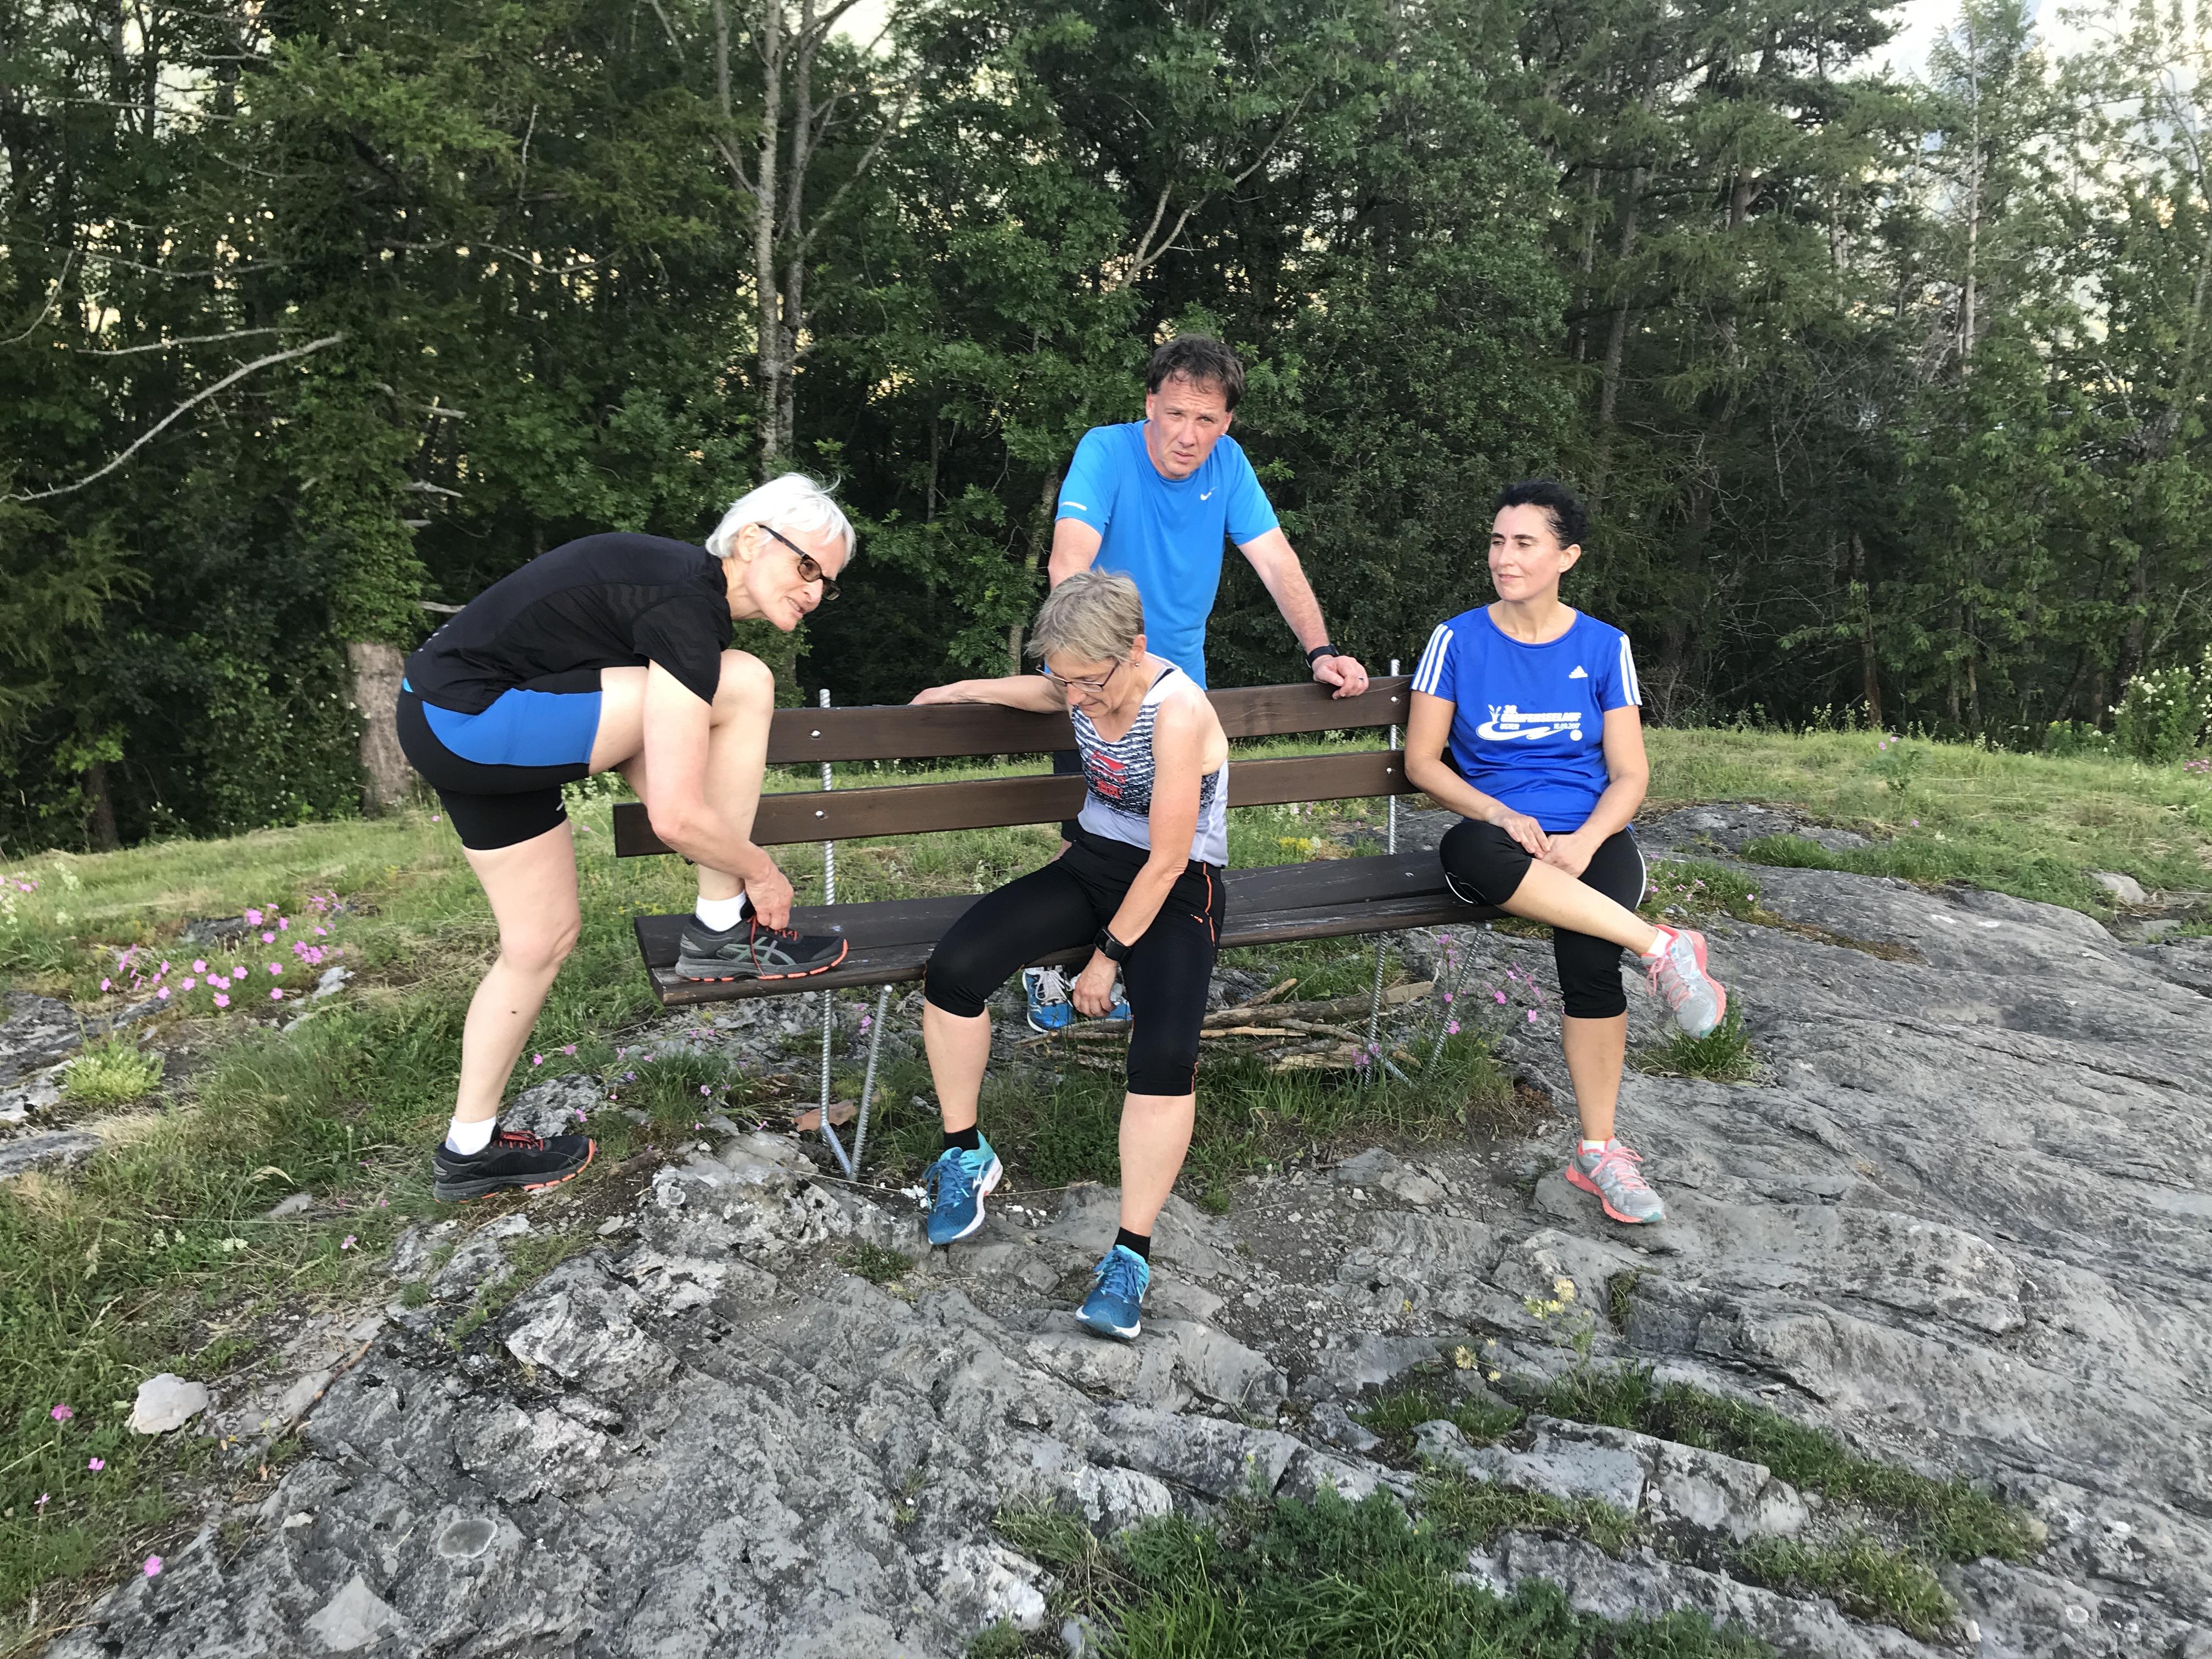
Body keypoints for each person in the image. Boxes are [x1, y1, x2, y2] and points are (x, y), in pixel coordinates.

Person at [396, 475, 856, 1202]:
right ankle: (720, 928)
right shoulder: (685, 605)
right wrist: (759, 872)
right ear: (750, 540)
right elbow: (675, 815)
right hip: (476, 719)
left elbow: (645, 753)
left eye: (828, 581)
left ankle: (468, 1152)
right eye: (806, 566)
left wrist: (702, 827)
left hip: (447, 719)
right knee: (743, 682)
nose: (816, 591)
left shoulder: (672, 591)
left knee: (539, 942)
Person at [1004, 334, 1370, 1027]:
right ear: (1150, 404)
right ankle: (1053, 966)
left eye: (1207, 419)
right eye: (1175, 414)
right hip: (1100, 682)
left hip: (1180, 697)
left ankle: (1133, 961)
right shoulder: (1105, 451)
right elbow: (1068, 562)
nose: (1189, 435)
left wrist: (1320, 650)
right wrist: (1100, 666)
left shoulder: (1228, 466)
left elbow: (1276, 562)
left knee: (1169, 842)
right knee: (1087, 834)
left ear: (1226, 422)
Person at [909, 571, 1228, 1340]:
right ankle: (965, 1154)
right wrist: (961, 690)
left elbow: (1167, 860)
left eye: (1089, 682)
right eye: (1065, 679)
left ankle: (1130, 1256)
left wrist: (1106, 959)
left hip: (1177, 884)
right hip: (1091, 865)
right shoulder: (1079, 680)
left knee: (1164, 1055)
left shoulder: (1177, 712)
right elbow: (1044, 693)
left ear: (1135, 651)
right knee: (953, 974)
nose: (1075, 699)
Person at [1401, 480, 1727, 1227]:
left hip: (1591, 834)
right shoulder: (1457, 640)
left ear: (1567, 557)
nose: (1504, 557)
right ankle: (1662, 948)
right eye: (1497, 541)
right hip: (1498, 836)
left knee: (1588, 960)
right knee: (1468, 849)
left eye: (1524, 543)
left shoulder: (1604, 646)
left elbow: (1631, 774)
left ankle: (1599, 1153)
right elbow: (1422, 762)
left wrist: (1585, 841)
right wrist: (1498, 812)